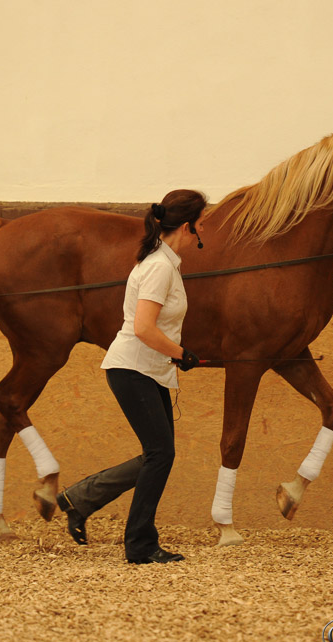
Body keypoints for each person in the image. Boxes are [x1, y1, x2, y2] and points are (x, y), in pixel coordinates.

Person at [56, 189, 207, 564]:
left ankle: (81, 498)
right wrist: (181, 353)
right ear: (187, 227)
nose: (203, 231)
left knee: (158, 454)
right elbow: (143, 327)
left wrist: (175, 354)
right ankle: (139, 544)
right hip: (133, 369)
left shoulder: (164, 263)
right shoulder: (159, 267)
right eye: (201, 224)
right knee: (160, 454)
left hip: (147, 369)